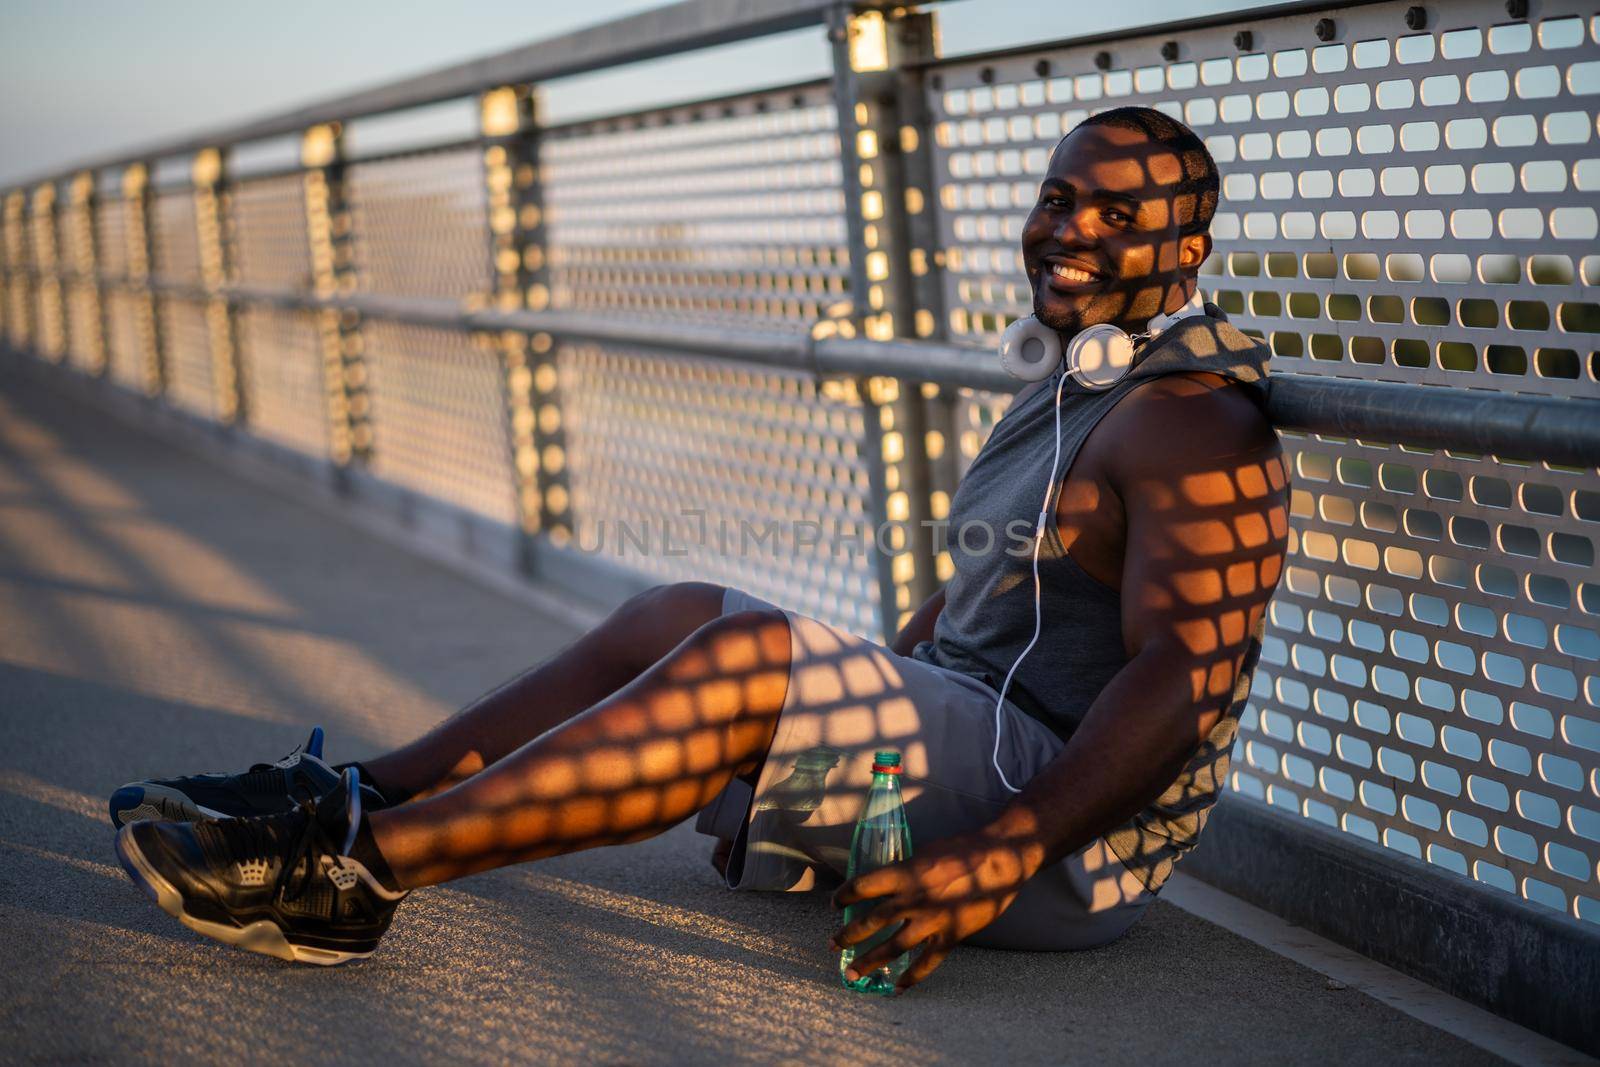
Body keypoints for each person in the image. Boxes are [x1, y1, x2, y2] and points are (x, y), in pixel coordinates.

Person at [109, 106, 1289, 991]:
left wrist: (993, 851)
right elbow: (998, 584)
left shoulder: (1190, 423)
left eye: (1118, 216)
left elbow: (1183, 677)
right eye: (1057, 196)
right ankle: (369, 786)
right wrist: (872, 694)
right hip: (974, 742)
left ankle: (356, 871)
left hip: (1053, 841)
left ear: (1186, 258)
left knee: (748, 657)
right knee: (682, 610)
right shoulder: (1086, 373)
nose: (1068, 229)